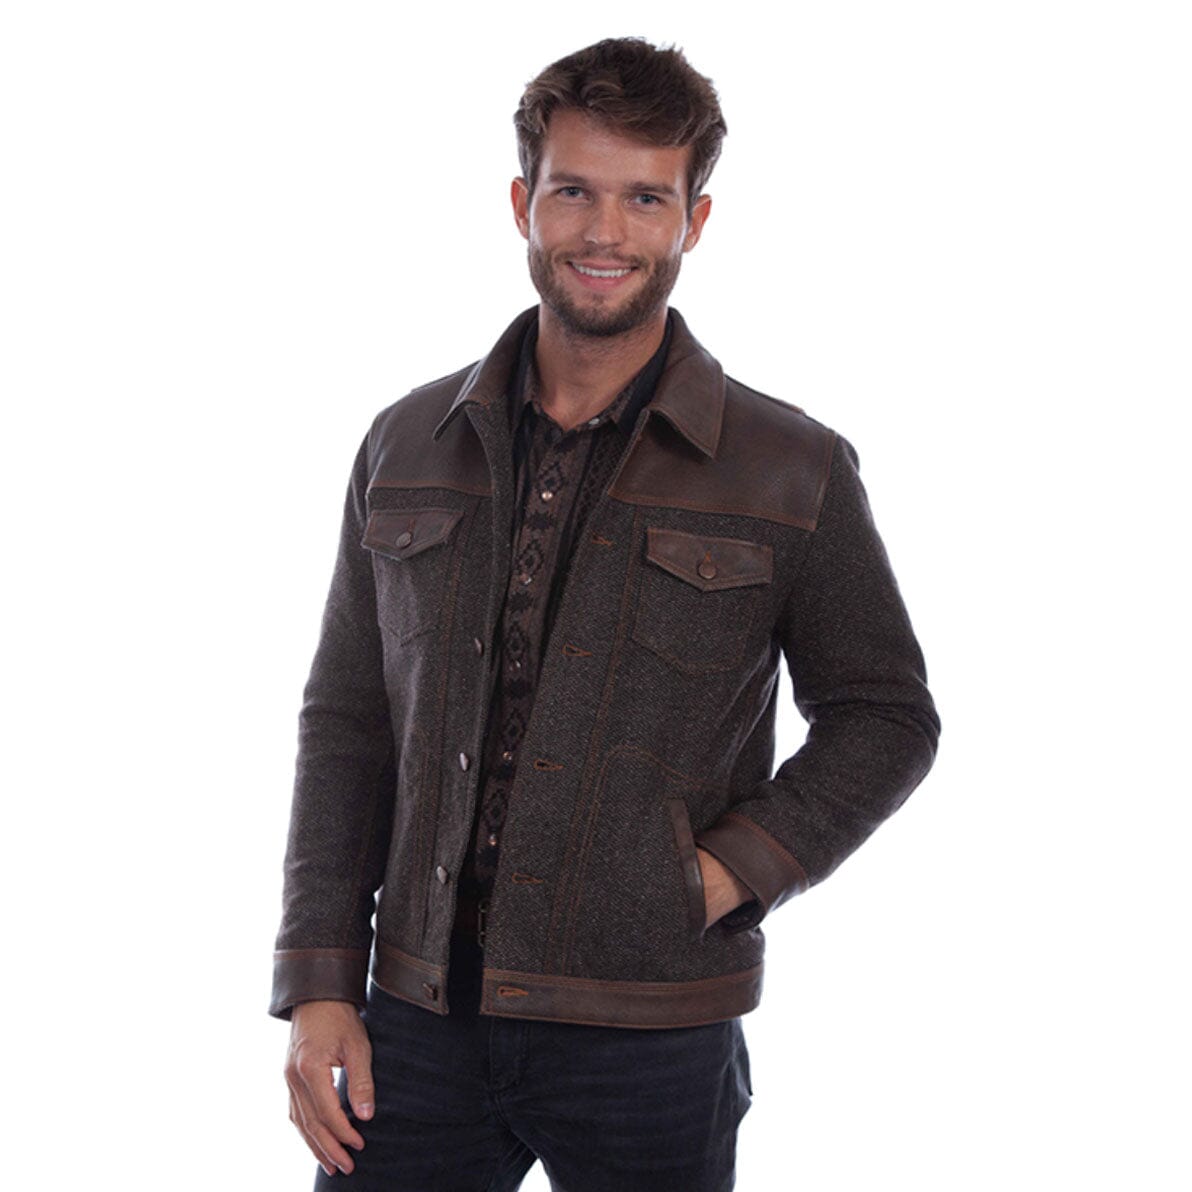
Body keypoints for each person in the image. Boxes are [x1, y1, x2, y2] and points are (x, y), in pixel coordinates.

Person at [271, 36, 940, 1191]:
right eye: (574, 191)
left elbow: (885, 714)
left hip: (650, 1033)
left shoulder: (792, 466)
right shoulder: (406, 442)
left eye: (645, 198)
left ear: (694, 221)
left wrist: (722, 873)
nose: (605, 232)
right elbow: (348, 720)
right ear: (522, 203)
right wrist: (320, 980)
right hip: (415, 1019)